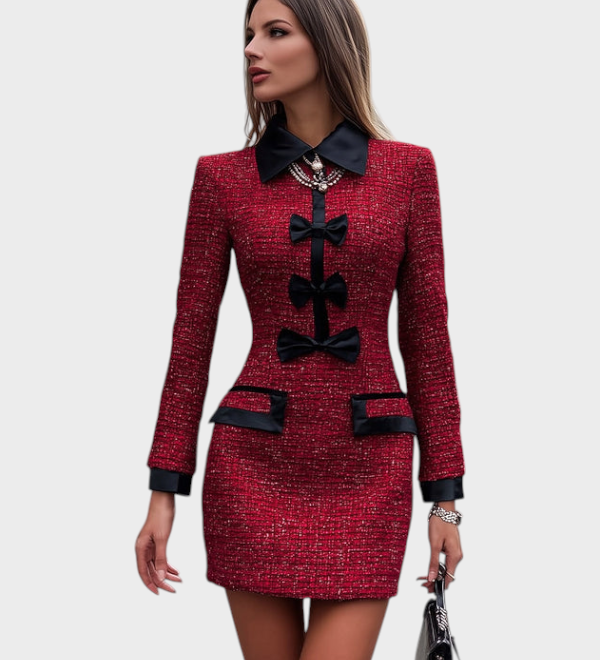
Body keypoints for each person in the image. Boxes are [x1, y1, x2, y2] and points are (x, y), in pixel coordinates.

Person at [135, 0, 465, 658]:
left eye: (275, 32)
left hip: (369, 463)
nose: (251, 49)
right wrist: (164, 488)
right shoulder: (221, 179)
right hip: (253, 462)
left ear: (328, 42)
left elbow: (428, 343)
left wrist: (445, 498)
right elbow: (190, 341)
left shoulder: (409, 171)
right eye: (248, 34)